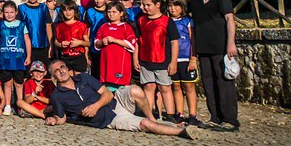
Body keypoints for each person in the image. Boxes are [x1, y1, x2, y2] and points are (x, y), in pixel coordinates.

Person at [45, 59, 198, 139]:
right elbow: (62, 118)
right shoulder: (57, 96)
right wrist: (53, 120)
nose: (61, 71)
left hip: (114, 102)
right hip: (109, 118)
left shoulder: (83, 77)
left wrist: (95, 106)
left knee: (136, 90)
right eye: (56, 71)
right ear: (53, 76)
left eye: (62, 67)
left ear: (67, 68)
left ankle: (154, 119)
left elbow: (107, 93)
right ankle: (181, 132)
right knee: (144, 124)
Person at [187, 0, 239, 131]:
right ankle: (215, 117)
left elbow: (229, 18)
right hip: (203, 47)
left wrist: (230, 43)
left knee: (224, 82)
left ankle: (230, 120)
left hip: (220, 45)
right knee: (209, 83)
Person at [135, 0, 179, 121]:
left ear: (158, 4)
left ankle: (170, 115)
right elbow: (138, 40)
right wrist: (135, 58)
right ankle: (149, 113)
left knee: (165, 87)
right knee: (148, 86)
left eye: (148, 5)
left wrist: (173, 62)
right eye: (143, 5)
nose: (145, 8)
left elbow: (174, 42)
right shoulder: (141, 20)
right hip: (145, 59)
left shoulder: (167, 21)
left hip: (162, 60)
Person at [0, 0, 31, 115]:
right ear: (3, 13)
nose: (9, 15)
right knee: (7, 83)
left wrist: (29, 55)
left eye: (11, 12)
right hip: (5, 58)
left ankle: (20, 104)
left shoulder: (22, 24)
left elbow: (27, 40)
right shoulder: (0, 25)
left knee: (19, 83)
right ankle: (8, 105)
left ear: (16, 12)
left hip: (19, 58)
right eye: (6, 12)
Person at [167, 0, 199, 125]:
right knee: (176, 87)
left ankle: (192, 115)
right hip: (173, 60)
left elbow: (193, 40)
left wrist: (193, 58)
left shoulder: (187, 21)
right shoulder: (166, 21)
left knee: (189, 87)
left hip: (186, 59)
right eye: (170, 6)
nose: (173, 8)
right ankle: (179, 113)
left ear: (182, 6)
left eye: (176, 5)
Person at [93, 1, 138, 89]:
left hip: (121, 64)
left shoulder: (126, 27)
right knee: (108, 88)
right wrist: (102, 42)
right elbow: (96, 43)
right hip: (106, 63)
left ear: (121, 13)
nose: (111, 14)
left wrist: (115, 40)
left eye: (114, 12)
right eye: (109, 12)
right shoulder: (104, 27)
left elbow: (132, 45)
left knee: (121, 89)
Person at [17, 0, 52, 65]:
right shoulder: (21, 8)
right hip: (27, 46)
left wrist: (51, 44)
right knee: (28, 71)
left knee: (44, 71)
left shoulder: (43, 7)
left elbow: (48, 26)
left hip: (43, 45)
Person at [54, 0, 90, 74]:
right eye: (65, 10)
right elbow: (56, 41)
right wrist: (61, 44)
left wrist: (79, 42)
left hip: (78, 57)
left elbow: (88, 43)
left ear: (75, 11)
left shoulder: (81, 26)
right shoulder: (59, 26)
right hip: (65, 57)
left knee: (79, 80)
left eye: (70, 10)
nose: (68, 13)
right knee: (68, 80)